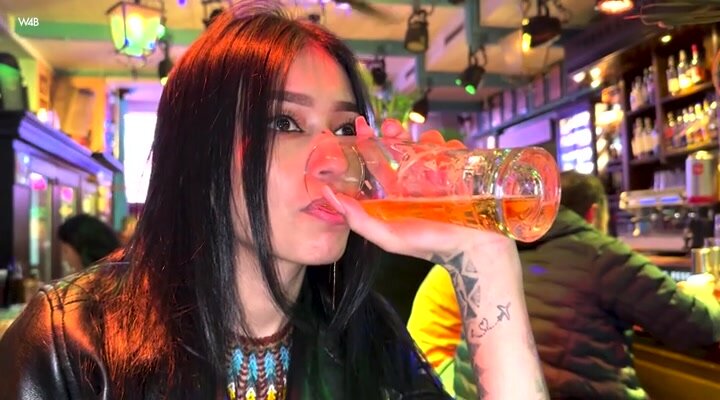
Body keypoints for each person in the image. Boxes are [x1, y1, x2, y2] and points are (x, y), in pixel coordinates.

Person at [0, 2, 547, 399]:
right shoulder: (70, 343)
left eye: (345, 130)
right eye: (285, 122)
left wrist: (484, 256)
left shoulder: (363, 332)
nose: (334, 160)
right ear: (199, 152)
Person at [408, 170, 720, 399]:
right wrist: (705, 294)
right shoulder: (600, 254)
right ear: (593, 213)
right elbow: (697, 326)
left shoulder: (494, 249)